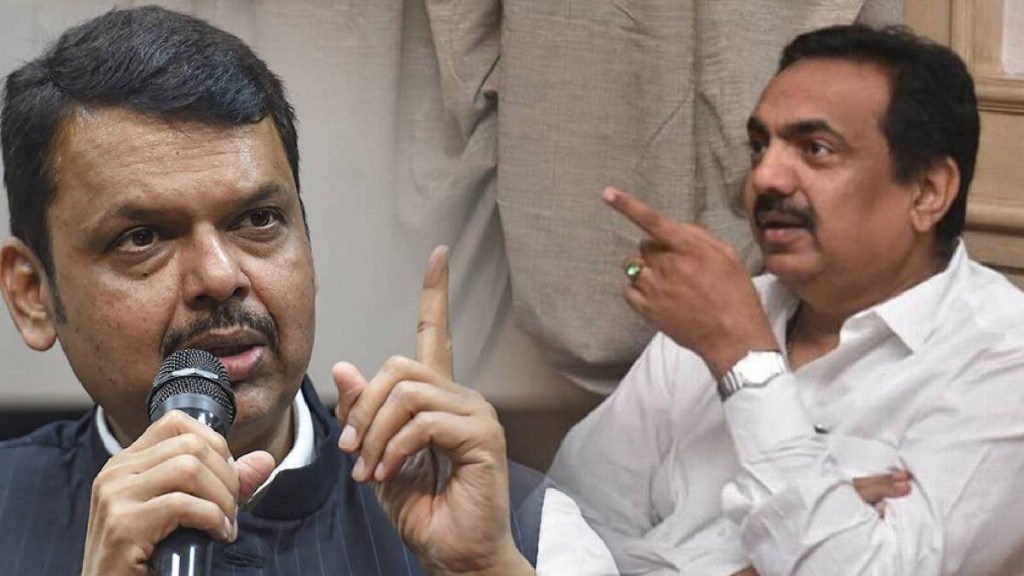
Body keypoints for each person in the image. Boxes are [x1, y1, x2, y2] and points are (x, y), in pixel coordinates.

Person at [0, 6, 615, 574]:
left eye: (257, 219)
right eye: (142, 238)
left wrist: (485, 569)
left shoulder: (520, 531)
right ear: (32, 294)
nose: (220, 276)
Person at [550, 24, 1024, 575]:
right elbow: (565, 524)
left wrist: (742, 359)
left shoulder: (1001, 358)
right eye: (760, 146)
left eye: (816, 149)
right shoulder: (719, 311)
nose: (765, 178)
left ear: (927, 192)